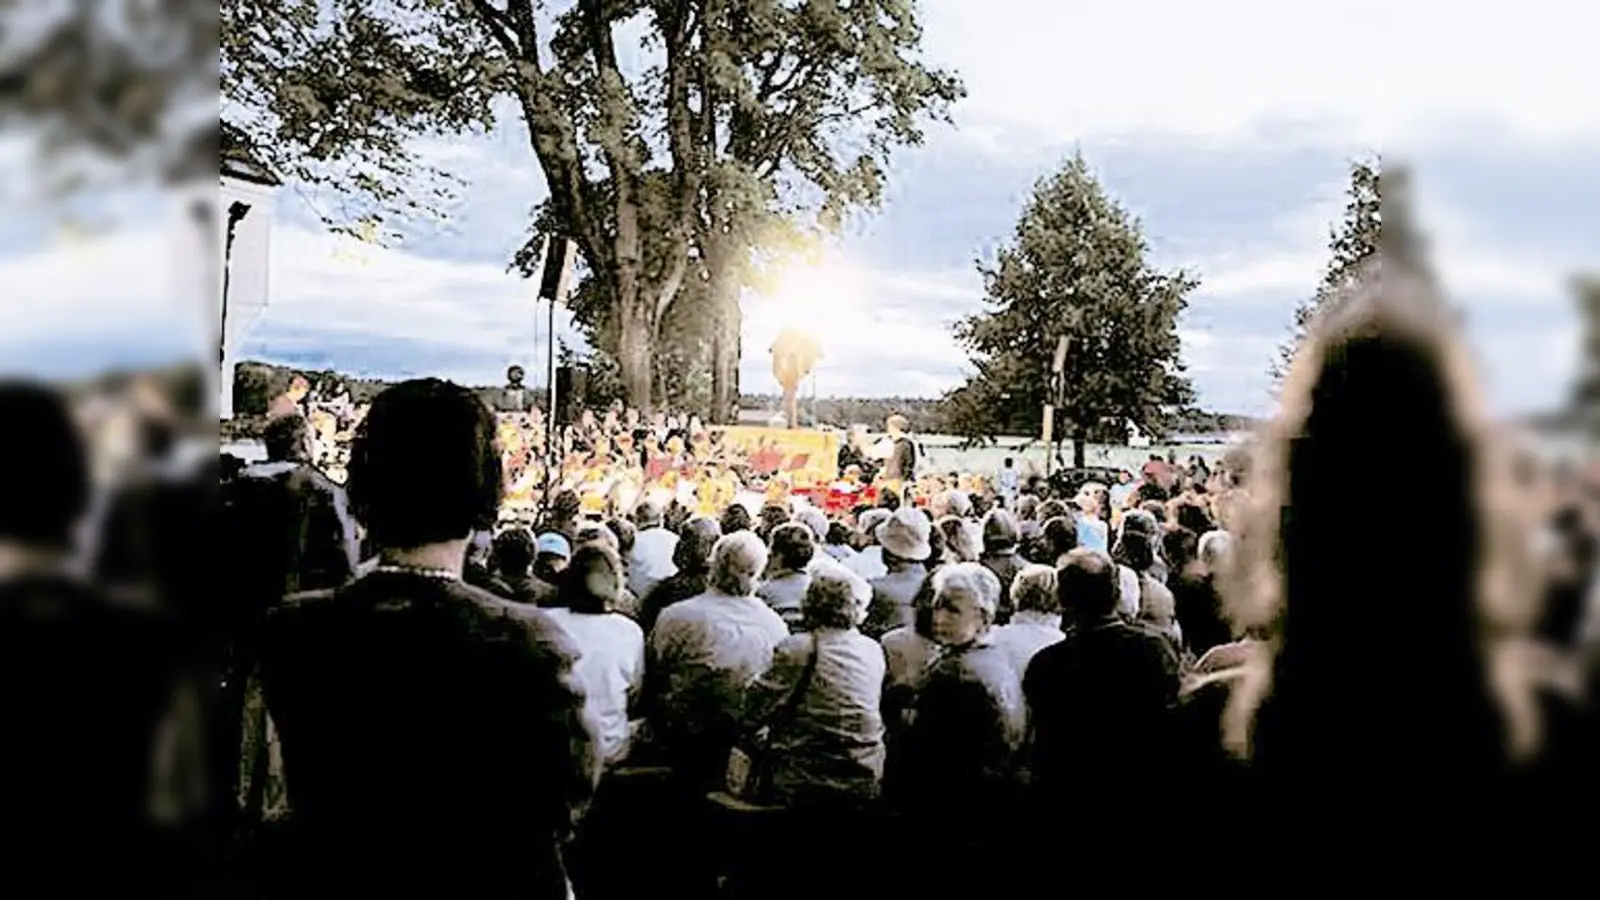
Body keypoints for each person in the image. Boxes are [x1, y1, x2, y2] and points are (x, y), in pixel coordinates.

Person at [255, 378, 601, 897]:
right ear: (484, 490)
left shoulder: (292, 630)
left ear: (364, 489)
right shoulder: (530, 646)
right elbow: (563, 799)